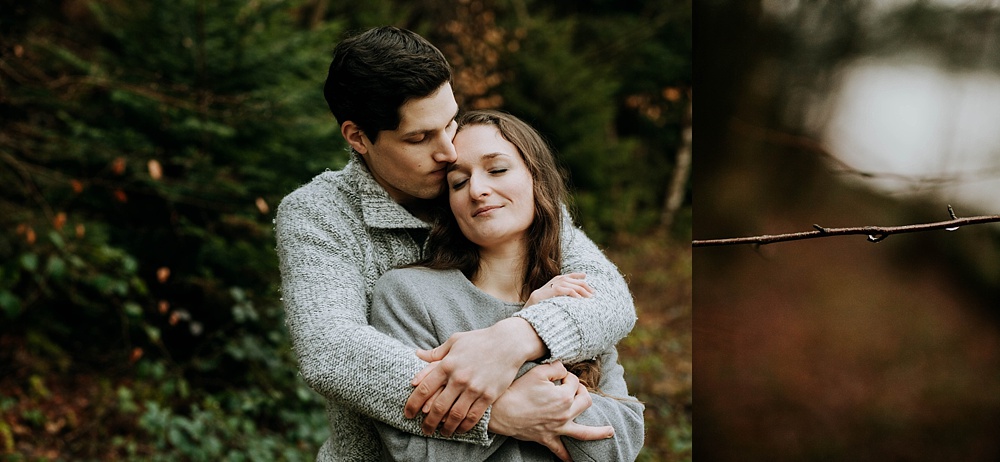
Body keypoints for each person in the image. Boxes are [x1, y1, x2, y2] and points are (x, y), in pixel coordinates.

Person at [274, 26, 636, 461]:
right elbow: (331, 350)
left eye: (450, 122)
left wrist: (519, 337)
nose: (449, 152)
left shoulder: (492, 197)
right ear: (358, 138)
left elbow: (608, 294)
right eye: (419, 138)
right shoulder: (320, 213)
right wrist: (497, 411)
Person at [369, 109, 645, 461]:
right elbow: (414, 452)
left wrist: (531, 340)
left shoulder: (572, 298)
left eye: (497, 169)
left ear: (536, 180)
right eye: (458, 182)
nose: (478, 190)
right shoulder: (409, 295)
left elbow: (617, 445)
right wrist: (508, 405)